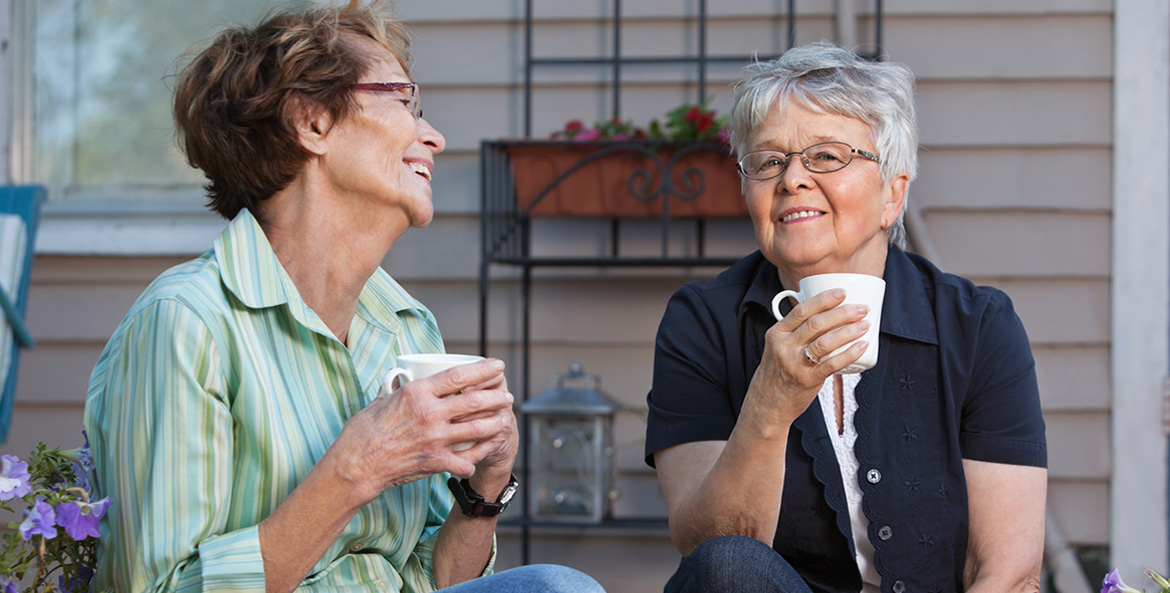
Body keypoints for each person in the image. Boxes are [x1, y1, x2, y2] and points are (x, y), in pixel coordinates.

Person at [82, 2, 606, 592]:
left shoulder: (407, 327)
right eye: (403, 101)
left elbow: (433, 582)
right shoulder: (186, 323)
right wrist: (358, 467)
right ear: (312, 123)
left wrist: (486, 485)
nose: (432, 136)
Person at [645, 41, 1047, 593]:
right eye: (768, 162)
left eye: (827, 156)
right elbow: (710, 554)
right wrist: (769, 404)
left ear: (893, 194)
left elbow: (1007, 570)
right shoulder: (704, 323)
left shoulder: (977, 327)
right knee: (728, 563)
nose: (791, 180)